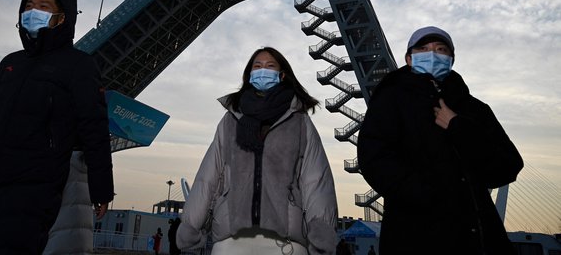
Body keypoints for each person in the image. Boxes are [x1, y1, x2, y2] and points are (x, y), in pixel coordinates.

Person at [0, 0, 114, 254]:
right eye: (28, 5)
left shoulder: (78, 65)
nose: (32, 11)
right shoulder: (10, 63)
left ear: (62, 17)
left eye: (43, 6)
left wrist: (101, 189)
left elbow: (94, 128)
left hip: (32, 190)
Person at [357, 26, 523, 255]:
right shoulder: (391, 100)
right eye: (423, 49)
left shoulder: (475, 110)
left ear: (451, 59)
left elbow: (507, 166)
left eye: (440, 49)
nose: (432, 55)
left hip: (479, 240)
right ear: (409, 58)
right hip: (415, 239)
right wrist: (430, 197)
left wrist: (459, 127)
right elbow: (374, 159)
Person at [177, 47, 338, 255]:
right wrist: (191, 227)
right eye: (257, 66)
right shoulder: (230, 121)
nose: (263, 70)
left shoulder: (300, 122)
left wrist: (322, 237)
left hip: (286, 243)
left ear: (282, 75)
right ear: (249, 74)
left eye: (270, 66)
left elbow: (315, 181)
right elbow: (208, 177)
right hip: (230, 240)